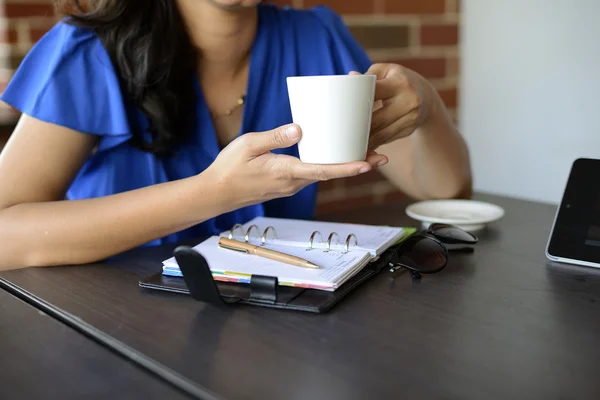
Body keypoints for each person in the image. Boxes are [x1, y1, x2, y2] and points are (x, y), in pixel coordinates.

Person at [0, 0, 472, 270]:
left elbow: (444, 190)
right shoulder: (87, 50)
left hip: (281, 328)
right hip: (110, 325)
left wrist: (428, 108)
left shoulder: (316, 34)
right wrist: (210, 194)